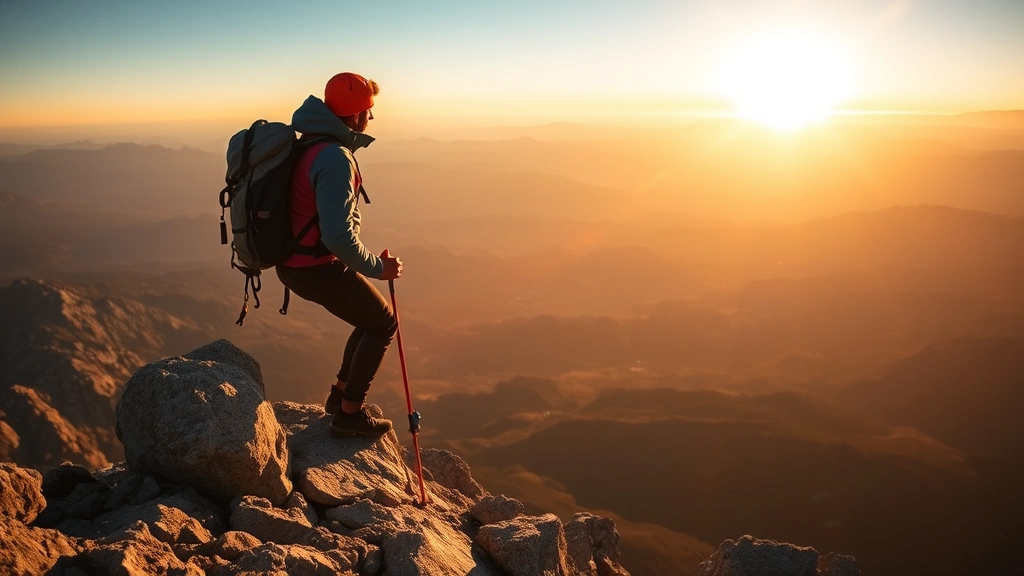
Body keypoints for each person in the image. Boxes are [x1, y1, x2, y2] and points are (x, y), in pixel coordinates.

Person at [276, 72, 402, 438]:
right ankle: (349, 414)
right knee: (383, 324)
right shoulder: (334, 157)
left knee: (369, 319)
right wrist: (379, 268)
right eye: (369, 110)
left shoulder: (310, 143)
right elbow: (336, 236)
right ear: (356, 114)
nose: (372, 118)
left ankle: (339, 395)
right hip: (315, 266)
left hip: (294, 263)